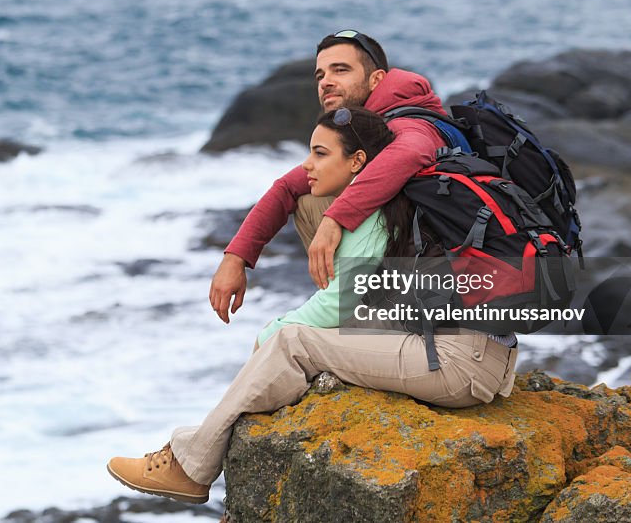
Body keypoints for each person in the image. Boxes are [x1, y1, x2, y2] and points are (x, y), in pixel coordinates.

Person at [106, 107, 519, 504]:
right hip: (479, 353)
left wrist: (269, 336)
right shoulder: (390, 199)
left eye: (320, 154)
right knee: (308, 335)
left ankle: (191, 466)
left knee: (290, 341)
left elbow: (334, 309)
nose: (307, 165)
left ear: (358, 161)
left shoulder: (373, 216)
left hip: (459, 364)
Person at [209, 30, 448, 325]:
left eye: (341, 70)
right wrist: (235, 259)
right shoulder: (365, 125)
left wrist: (336, 218)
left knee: (316, 201)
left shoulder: (408, 120)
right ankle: (344, 314)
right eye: (320, 74)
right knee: (309, 193)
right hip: (410, 264)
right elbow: (286, 187)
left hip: (442, 288)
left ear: (377, 80)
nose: (326, 82)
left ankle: (350, 320)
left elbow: (411, 153)